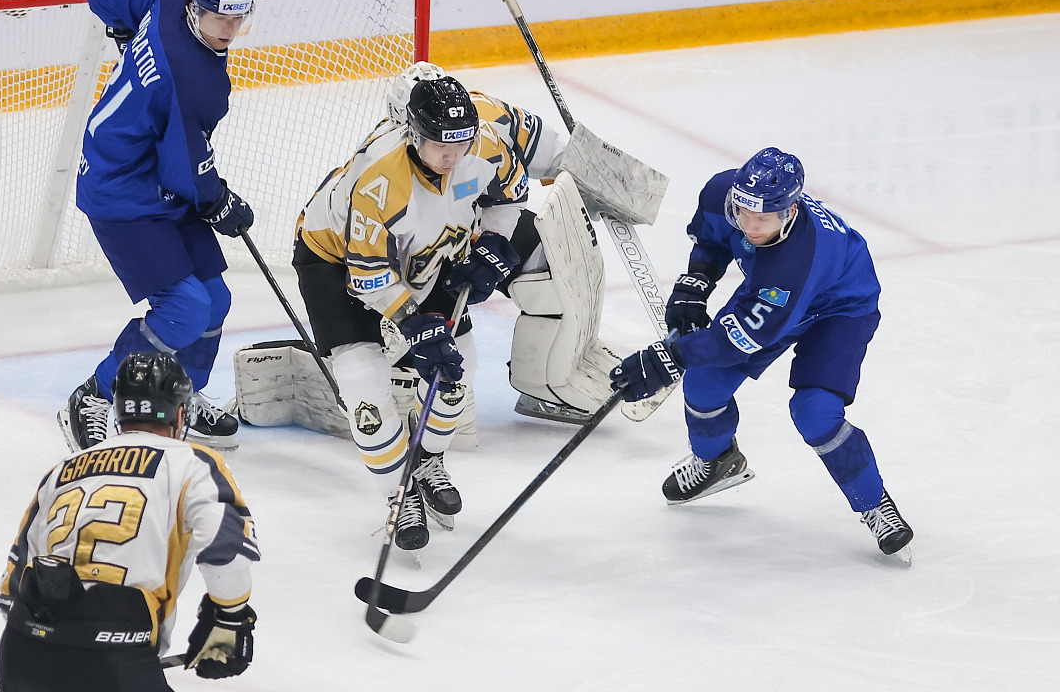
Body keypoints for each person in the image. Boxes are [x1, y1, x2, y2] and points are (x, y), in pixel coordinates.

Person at [291, 67, 618, 551]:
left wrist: (493, 242)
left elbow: (510, 193)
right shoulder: (380, 179)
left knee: (457, 369)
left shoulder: (482, 142)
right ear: (412, 133)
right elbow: (369, 276)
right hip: (336, 261)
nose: (451, 155)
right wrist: (413, 324)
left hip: (428, 249)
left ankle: (427, 460)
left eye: (460, 142)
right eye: (439, 144)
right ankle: (398, 494)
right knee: (363, 384)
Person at [610, 147, 914, 558]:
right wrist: (696, 281)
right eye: (743, 212)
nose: (750, 226)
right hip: (775, 294)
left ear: (790, 212)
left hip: (840, 307)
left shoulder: (794, 261)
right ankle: (717, 461)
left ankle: (875, 503)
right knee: (704, 384)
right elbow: (713, 238)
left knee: (815, 412)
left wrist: (668, 358)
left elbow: (733, 341)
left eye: (763, 219)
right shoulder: (723, 194)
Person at [58, 0, 258, 454]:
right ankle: (94, 395)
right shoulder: (194, 81)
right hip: (121, 189)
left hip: (152, 175)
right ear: (195, 6)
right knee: (185, 308)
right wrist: (219, 202)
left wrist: (128, 32)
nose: (230, 30)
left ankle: (178, 397)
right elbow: (184, 167)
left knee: (214, 301)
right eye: (220, 18)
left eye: (239, 18)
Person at [0, 352, 261, 692]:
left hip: (22, 652)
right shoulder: (193, 462)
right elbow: (226, 551)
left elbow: (12, 588)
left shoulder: (62, 470)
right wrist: (230, 616)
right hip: (113, 656)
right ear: (181, 413)